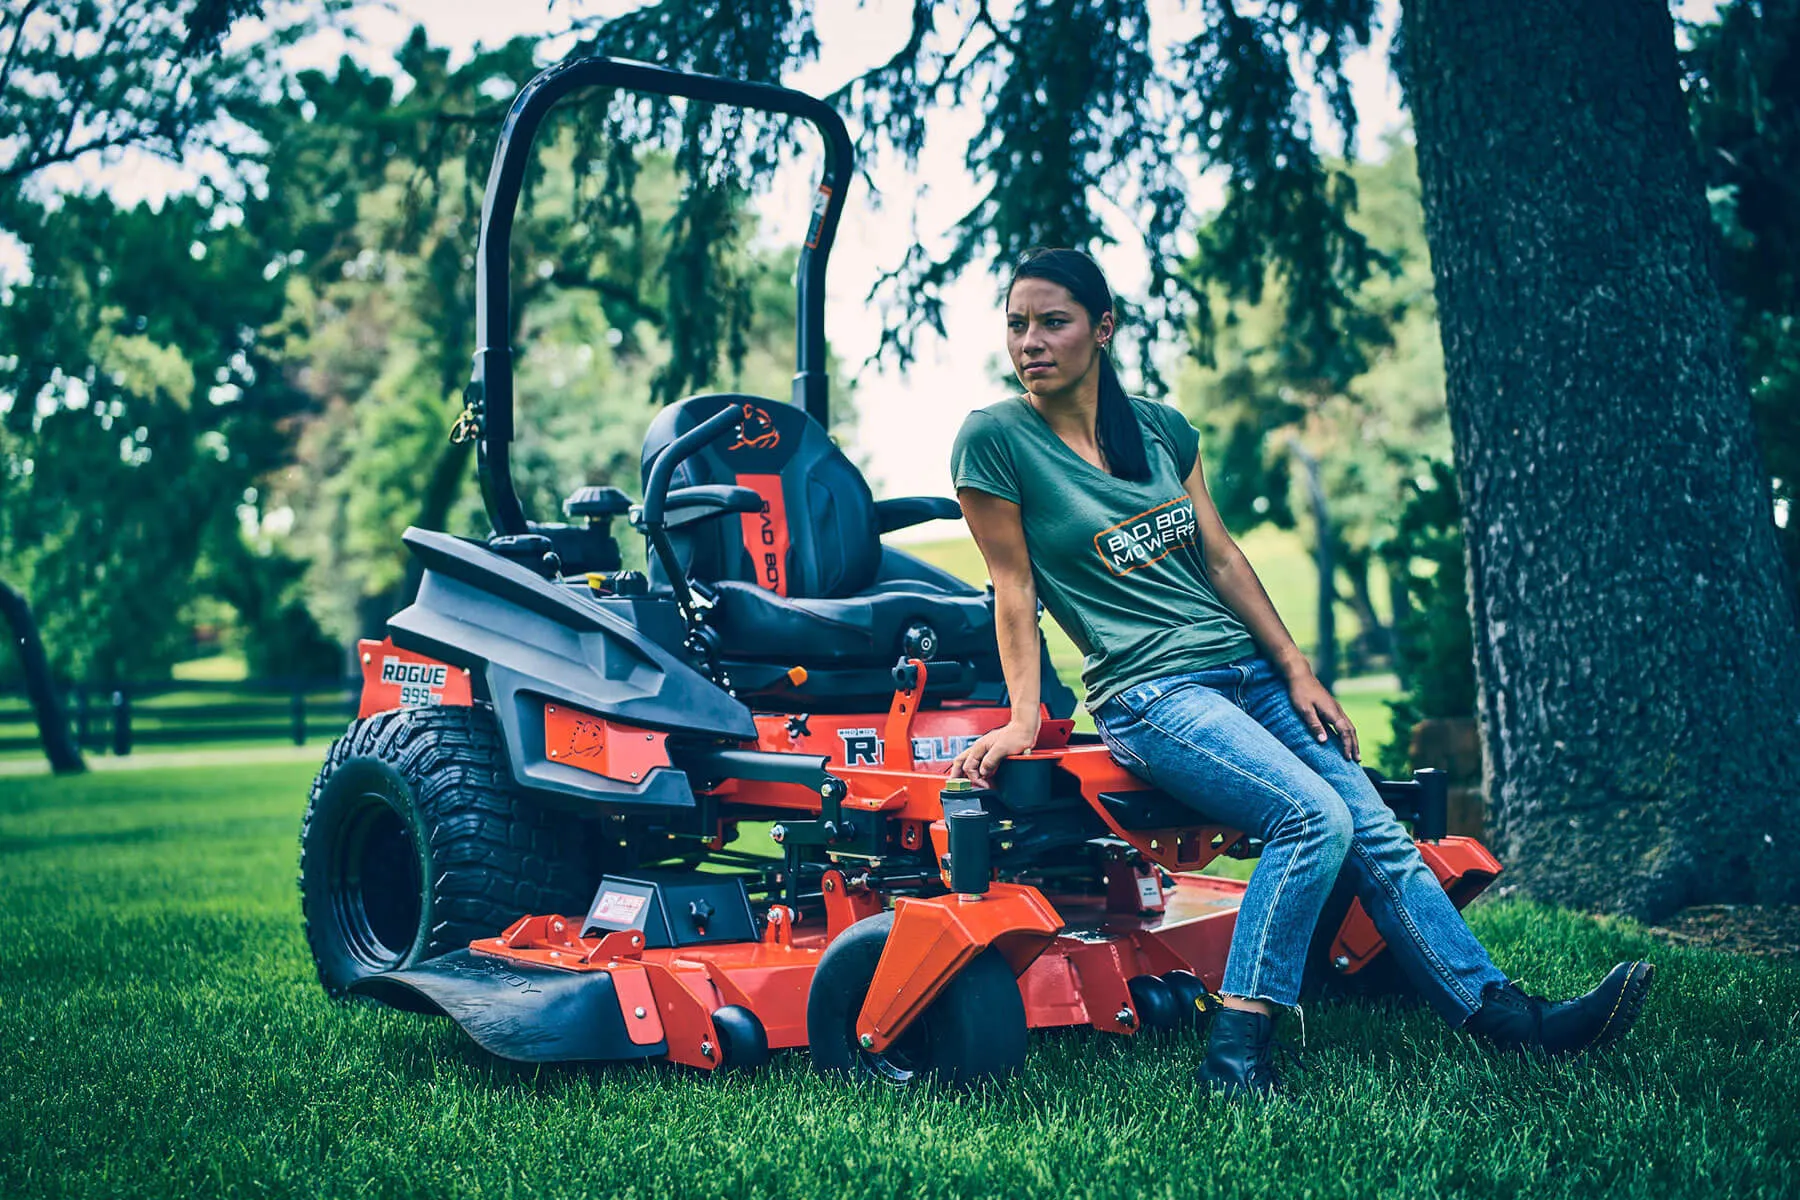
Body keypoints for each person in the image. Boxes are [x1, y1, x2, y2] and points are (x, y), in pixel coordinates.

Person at [946, 246, 1654, 1099]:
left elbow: (1219, 556)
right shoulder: (995, 440)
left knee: (1379, 834)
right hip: (1150, 692)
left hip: (1245, 674)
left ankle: (1505, 1017)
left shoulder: (1163, 431)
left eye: (1052, 322)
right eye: (1017, 324)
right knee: (1313, 818)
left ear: (1102, 330)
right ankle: (1236, 1056)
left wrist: (1297, 669)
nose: (1031, 341)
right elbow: (1013, 590)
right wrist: (1025, 718)